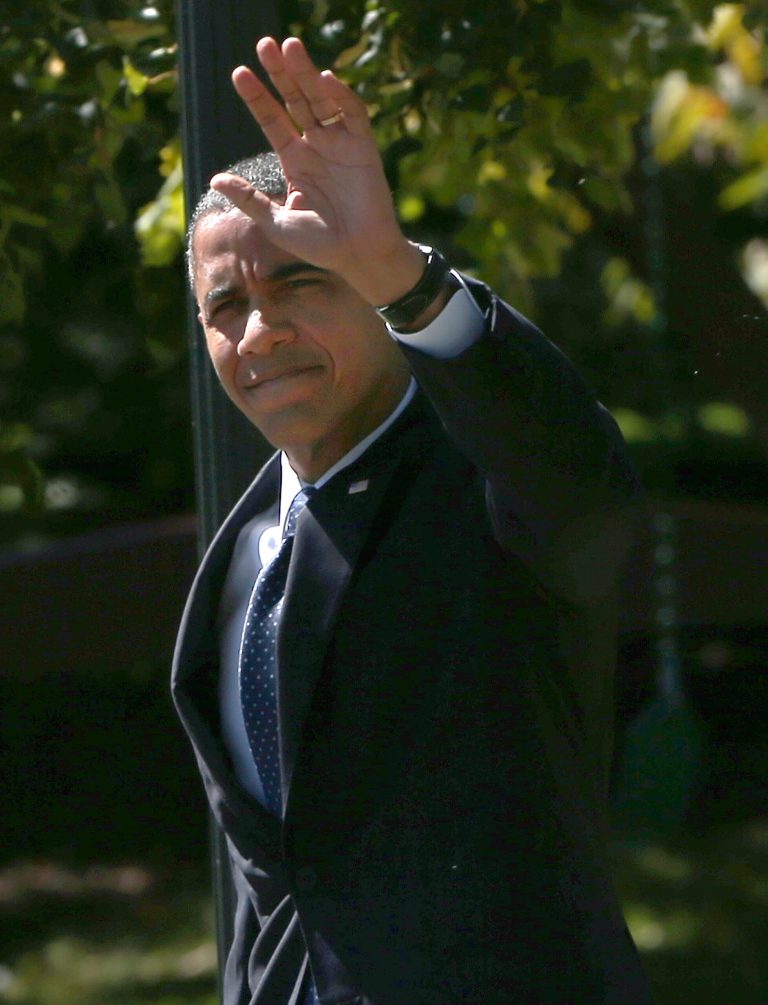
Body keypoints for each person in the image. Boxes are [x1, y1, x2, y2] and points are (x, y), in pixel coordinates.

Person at [172, 35, 654, 1005]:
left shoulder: (488, 488)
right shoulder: (244, 547)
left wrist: (407, 281)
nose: (260, 329)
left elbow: (577, 482)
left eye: (301, 281)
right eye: (227, 304)